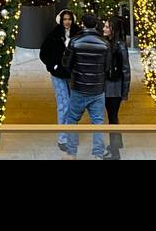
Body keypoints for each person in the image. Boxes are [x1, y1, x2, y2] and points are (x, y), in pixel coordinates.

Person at [59, 12, 112, 159]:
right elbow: (107, 67)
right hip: (97, 89)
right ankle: (97, 155)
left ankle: (71, 153)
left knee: (72, 119)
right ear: (96, 25)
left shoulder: (75, 41)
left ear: (83, 24)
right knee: (98, 123)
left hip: (79, 88)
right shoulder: (105, 44)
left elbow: (66, 64)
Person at [40, 8, 75, 154]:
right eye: (65, 19)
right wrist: (53, 66)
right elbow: (44, 53)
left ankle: (71, 134)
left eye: (69, 19)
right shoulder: (53, 35)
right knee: (63, 104)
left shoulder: (77, 33)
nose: (67, 22)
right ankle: (63, 138)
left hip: (72, 75)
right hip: (58, 75)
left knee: (73, 105)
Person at [102, 16, 131, 160]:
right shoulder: (108, 42)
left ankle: (115, 152)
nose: (104, 29)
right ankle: (116, 145)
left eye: (107, 27)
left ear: (113, 29)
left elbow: (126, 69)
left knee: (112, 118)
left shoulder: (119, 45)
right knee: (112, 116)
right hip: (109, 86)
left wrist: (124, 93)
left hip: (114, 88)